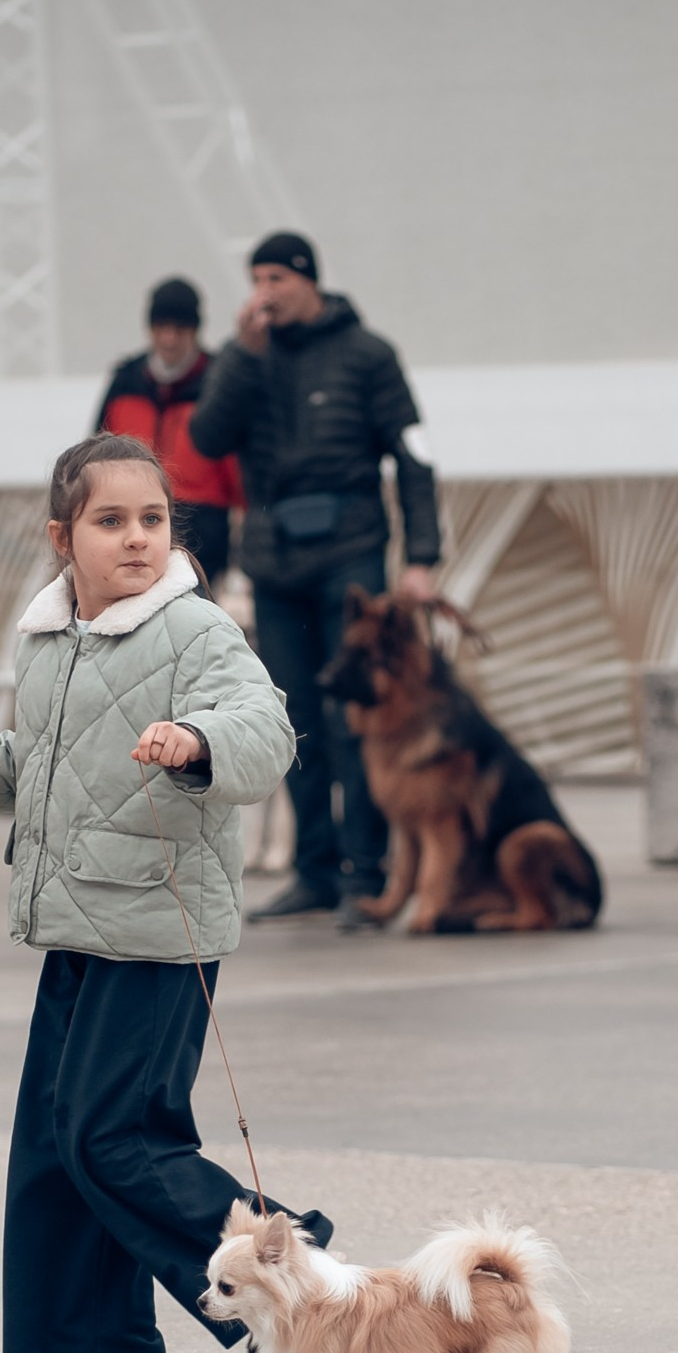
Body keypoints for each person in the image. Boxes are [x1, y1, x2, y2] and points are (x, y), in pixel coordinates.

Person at [0, 432, 330, 1353]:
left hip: (160, 928)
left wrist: (197, 738)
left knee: (111, 1135)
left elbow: (264, 728)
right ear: (61, 537)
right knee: (59, 1141)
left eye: (153, 519)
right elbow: (37, 763)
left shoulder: (195, 628)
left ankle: (298, 1289)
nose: (137, 539)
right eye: (111, 520)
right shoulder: (50, 640)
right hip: (78, 918)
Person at [190, 231, 441, 931]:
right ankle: (315, 871)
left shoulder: (368, 354)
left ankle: (366, 872)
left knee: (356, 717)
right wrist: (242, 358)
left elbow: (414, 456)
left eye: (277, 278)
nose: (264, 292)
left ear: (308, 280)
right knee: (291, 718)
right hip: (274, 561)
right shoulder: (247, 358)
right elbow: (206, 440)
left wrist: (423, 556)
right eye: (256, 279)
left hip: (350, 555)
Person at [92, 276, 241, 584]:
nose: (169, 340)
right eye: (161, 328)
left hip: (202, 538)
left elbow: (239, 467)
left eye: (180, 329)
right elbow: (97, 457)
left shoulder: (220, 382)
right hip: (131, 529)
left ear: (195, 330)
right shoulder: (125, 381)